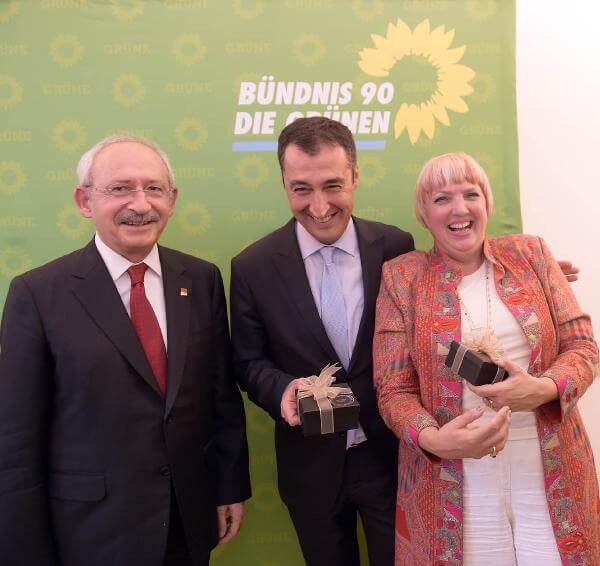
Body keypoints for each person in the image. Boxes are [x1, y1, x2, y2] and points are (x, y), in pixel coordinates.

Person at [0, 135, 251, 566]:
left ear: (172, 200)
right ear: (85, 201)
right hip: (88, 533)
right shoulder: (37, 294)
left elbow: (220, 398)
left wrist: (228, 488)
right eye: (120, 188)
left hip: (186, 523)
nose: (141, 203)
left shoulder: (201, 279)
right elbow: (16, 439)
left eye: (154, 188)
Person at [373, 151, 599, 565]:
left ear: (487, 203)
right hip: (453, 480)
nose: (459, 209)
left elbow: (583, 345)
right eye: (442, 199)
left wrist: (544, 388)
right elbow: (393, 388)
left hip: (548, 469)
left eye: (470, 194)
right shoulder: (402, 278)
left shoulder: (531, 255)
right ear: (424, 215)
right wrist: (433, 439)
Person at [230, 117, 415, 565]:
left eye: (333, 186)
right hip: (310, 466)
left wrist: (519, 274)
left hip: (391, 456)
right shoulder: (252, 267)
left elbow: (433, 318)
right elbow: (248, 362)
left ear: (355, 176)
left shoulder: (396, 246)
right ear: (284, 184)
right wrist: (282, 390)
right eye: (301, 189)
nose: (319, 206)